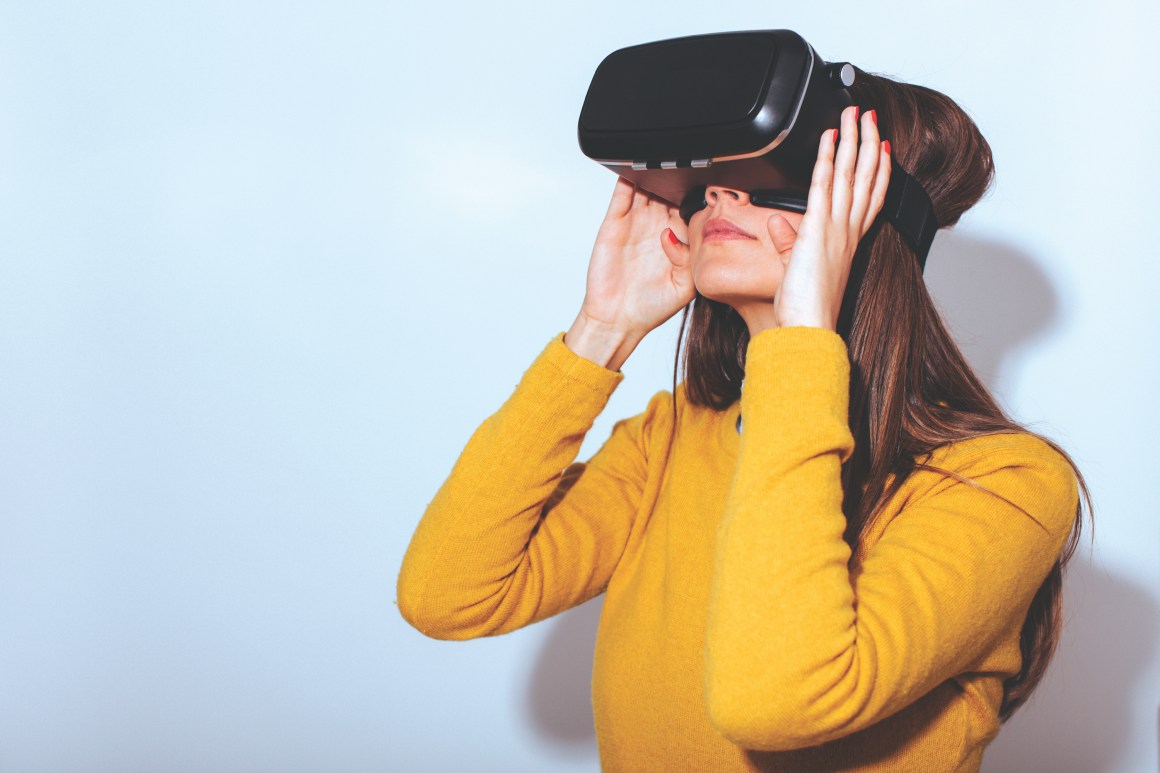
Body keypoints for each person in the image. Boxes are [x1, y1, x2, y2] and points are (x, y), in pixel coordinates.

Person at [396, 69, 1094, 772]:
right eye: (711, 178)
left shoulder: (1004, 482)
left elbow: (774, 700)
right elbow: (447, 594)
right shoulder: (669, 440)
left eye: (774, 172)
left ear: (872, 214)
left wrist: (800, 339)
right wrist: (601, 329)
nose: (722, 192)